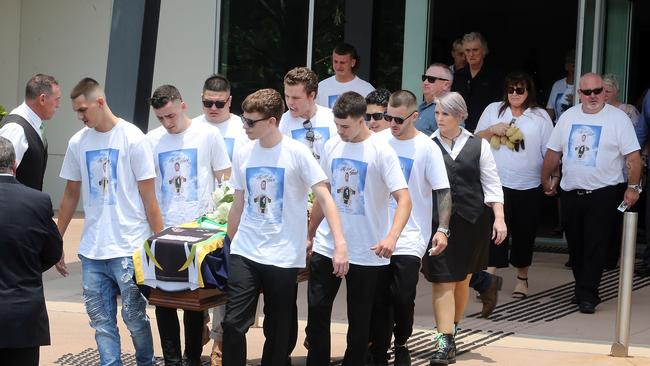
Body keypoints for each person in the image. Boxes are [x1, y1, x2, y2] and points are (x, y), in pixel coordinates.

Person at [222, 88, 348, 366]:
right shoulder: (243, 153)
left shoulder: (297, 153)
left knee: (278, 331)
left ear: (271, 122)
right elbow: (238, 204)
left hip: (283, 255)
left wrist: (339, 243)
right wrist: (228, 246)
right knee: (233, 324)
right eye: (243, 119)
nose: (244, 126)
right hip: (246, 251)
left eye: (250, 122)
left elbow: (325, 198)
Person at [56, 77, 163, 365]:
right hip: (92, 249)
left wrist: (160, 243)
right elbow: (69, 194)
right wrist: (56, 240)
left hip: (129, 246)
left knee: (135, 318)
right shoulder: (78, 142)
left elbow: (150, 198)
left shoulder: (133, 138)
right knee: (101, 322)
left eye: (82, 110)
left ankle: (145, 361)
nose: (80, 117)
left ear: (99, 102)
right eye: (76, 111)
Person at [306, 91, 412, 366]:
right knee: (317, 312)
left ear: (362, 120)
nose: (340, 131)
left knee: (360, 320)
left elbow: (404, 199)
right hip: (328, 245)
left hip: (366, 250)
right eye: (337, 125)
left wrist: (391, 237)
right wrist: (310, 232)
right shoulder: (331, 146)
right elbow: (324, 193)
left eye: (345, 126)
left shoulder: (381, 151)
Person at [541, 73, 642, 314]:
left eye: (598, 91)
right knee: (575, 245)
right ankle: (582, 287)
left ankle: (588, 293)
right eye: (588, 92)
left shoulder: (618, 119)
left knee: (595, 244)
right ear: (580, 94)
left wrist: (633, 187)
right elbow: (554, 152)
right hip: (571, 191)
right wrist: (545, 177)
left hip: (604, 192)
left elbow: (634, 158)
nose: (594, 96)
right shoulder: (568, 117)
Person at [147, 84, 231, 366]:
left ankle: (192, 357)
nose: (167, 123)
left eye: (170, 115)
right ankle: (172, 360)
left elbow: (225, 180)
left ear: (182, 105)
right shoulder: (151, 140)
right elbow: (146, 189)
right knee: (164, 301)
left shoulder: (207, 134)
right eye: (161, 118)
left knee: (196, 302)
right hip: (164, 231)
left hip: (201, 231)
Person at [421, 92, 506, 365]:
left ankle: (452, 328)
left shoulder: (478, 145)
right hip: (437, 223)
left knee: (462, 279)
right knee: (442, 279)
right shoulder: (427, 144)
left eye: (445, 113)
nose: (439, 118)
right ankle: (443, 341)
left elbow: (492, 184)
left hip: (472, 221)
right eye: (437, 113)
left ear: (459, 115)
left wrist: (500, 218)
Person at [369, 90, 451, 366]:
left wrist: (443, 229)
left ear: (414, 116)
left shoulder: (427, 148)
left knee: (403, 296)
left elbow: (443, 191)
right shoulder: (376, 142)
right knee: (379, 298)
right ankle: (377, 349)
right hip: (377, 232)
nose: (392, 123)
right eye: (387, 117)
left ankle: (401, 341)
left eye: (398, 119)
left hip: (411, 235)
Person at [475, 72, 554, 298]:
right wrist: (492, 130)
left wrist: (551, 177)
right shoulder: (493, 109)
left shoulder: (539, 116)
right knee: (494, 233)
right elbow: (474, 139)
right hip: (496, 183)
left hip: (529, 184)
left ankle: (522, 278)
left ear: (528, 92)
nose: (515, 94)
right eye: (511, 90)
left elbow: (549, 150)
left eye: (520, 90)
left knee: (524, 233)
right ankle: (490, 281)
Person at [0, 136, 63, 366]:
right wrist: (28, 266)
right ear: (15, 165)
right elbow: (53, 251)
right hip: (23, 314)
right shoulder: (38, 201)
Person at [0, 74, 61, 190]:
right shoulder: (15, 129)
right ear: (42, 99)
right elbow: (2, 177)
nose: (58, 105)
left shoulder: (32, 125)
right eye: (57, 99)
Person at [280, 67, 338, 161]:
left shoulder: (333, 119)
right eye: (287, 96)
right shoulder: (280, 124)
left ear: (312, 95)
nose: (290, 102)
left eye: (296, 98)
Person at [451, 32, 503, 132]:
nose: (471, 54)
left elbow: (498, 106)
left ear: (484, 51)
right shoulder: (458, 75)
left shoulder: (495, 76)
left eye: (475, 50)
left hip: (487, 130)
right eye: (467, 50)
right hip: (461, 129)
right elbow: (453, 103)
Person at [193, 74, 249, 162]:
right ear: (202, 98)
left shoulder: (244, 128)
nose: (213, 108)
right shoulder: (192, 127)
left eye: (220, 104)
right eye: (208, 103)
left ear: (229, 101)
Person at [315, 43, 375, 108]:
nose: (338, 66)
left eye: (342, 63)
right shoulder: (321, 87)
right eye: (335, 61)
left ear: (353, 63)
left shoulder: (366, 89)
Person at [416, 63, 453, 136]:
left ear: (446, 85)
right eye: (424, 78)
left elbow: (454, 142)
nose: (425, 82)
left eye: (431, 79)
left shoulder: (450, 108)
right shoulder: (422, 106)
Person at [603, 74, 642, 143]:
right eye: (601, 91)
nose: (604, 95)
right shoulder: (596, 110)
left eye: (608, 92)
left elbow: (639, 135)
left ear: (616, 93)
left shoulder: (629, 110)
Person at [546, 50, 575, 123]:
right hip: (558, 126)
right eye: (573, 65)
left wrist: (576, 102)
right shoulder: (558, 85)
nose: (574, 68)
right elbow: (550, 109)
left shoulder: (584, 85)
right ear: (566, 66)